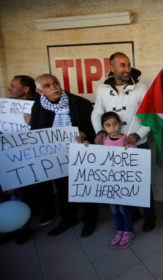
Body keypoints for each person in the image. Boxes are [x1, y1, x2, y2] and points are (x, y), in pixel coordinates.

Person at [91, 52, 156, 232]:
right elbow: (97, 112)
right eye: (122, 65)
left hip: (138, 143)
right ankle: (132, 212)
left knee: (141, 181)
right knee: (121, 181)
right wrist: (99, 131)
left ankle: (150, 215)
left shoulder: (140, 88)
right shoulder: (102, 89)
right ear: (111, 68)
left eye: (128, 64)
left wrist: (137, 134)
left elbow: (151, 115)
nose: (127, 69)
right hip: (113, 144)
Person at [31, 73, 98, 237]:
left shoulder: (79, 103)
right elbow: (36, 131)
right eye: (47, 85)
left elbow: (94, 127)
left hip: (80, 153)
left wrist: (85, 133)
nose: (54, 87)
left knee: (85, 188)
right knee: (63, 190)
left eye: (55, 83)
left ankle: (90, 219)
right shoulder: (37, 107)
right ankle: (68, 219)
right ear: (40, 91)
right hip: (57, 157)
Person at [0, 75, 43, 245]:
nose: (9, 88)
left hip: (23, 157)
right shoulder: (6, 107)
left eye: (13, 85)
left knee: (18, 194)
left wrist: (34, 123)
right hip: (6, 154)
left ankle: (22, 228)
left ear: (26, 90)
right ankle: (8, 228)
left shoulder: (39, 107)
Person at [95, 112, 136, 248]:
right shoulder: (103, 141)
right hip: (109, 184)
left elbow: (135, 159)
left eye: (114, 124)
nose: (112, 128)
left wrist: (130, 149)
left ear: (120, 124)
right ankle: (119, 230)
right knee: (114, 209)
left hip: (123, 183)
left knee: (124, 209)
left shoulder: (126, 140)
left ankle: (128, 231)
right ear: (103, 127)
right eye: (108, 125)